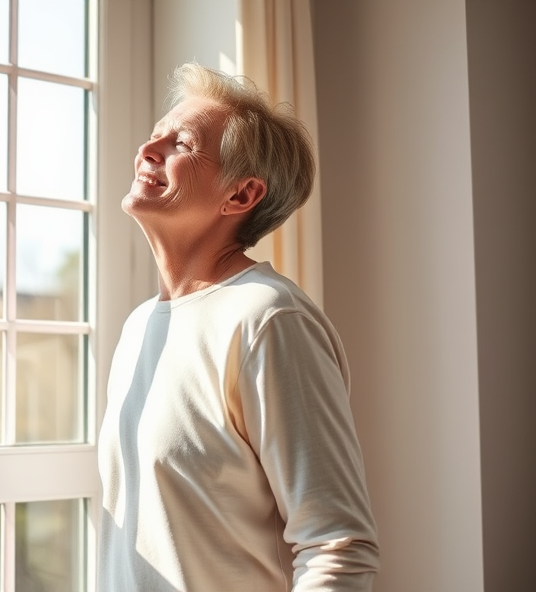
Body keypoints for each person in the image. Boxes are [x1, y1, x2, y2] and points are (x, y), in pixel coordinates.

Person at [97, 63, 379, 591]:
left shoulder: (269, 320)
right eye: (154, 135)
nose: (148, 151)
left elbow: (337, 546)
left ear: (241, 196)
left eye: (179, 143)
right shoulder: (137, 328)